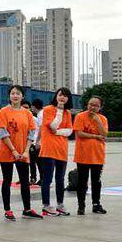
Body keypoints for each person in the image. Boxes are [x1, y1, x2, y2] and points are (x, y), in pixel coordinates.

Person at [0, 86, 42, 220]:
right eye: (13, 93)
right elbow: (3, 133)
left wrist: (26, 151)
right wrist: (14, 151)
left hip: (23, 153)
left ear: (22, 96)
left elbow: (31, 133)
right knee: (7, 180)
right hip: (7, 152)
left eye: (18, 93)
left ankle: (27, 209)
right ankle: (8, 210)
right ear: (9, 96)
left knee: (25, 181)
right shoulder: (4, 111)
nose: (15, 96)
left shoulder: (27, 113)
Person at [39, 88, 73, 216]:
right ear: (56, 96)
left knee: (60, 179)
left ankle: (60, 204)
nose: (62, 97)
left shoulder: (68, 113)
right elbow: (53, 125)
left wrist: (58, 132)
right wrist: (59, 110)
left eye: (65, 96)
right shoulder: (48, 109)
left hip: (62, 149)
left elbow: (69, 131)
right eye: (60, 95)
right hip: (49, 149)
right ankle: (46, 205)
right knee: (47, 179)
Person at [73, 96, 108, 215]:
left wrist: (98, 121)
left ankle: (96, 204)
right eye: (90, 104)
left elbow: (104, 134)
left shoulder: (102, 119)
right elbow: (79, 133)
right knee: (82, 181)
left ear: (100, 107)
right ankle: (81, 206)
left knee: (96, 181)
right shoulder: (80, 116)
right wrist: (96, 136)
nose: (92, 107)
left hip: (98, 155)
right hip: (83, 155)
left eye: (95, 105)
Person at [29, 98, 44, 185]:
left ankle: (36, 178)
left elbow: (41, 129)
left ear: (34, 107)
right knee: (38, 162)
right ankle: (40, 178)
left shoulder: (39, 115)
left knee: (35, 162)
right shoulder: (40, 115)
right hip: (37, 141)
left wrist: (37, 141)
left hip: (36, 142)